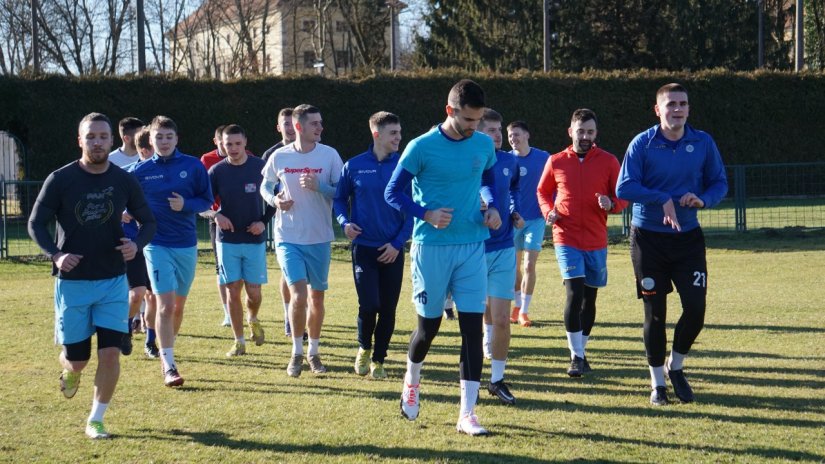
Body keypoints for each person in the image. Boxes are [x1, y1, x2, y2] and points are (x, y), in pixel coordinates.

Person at [28, 112, 156, 439]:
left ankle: (96, 419)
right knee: (79, 360)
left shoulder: (124, 180)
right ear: (80, 141)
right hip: (72, 284)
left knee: (111, 352)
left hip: (113, 280)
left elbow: (148, 222)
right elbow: (35, 223)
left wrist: (136, 244)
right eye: (91, 137)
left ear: (112, 141)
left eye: (103, 136)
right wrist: (56, 255)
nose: (97, 142)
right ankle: (70, 371)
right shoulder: (60, 179)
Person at [385, 79, 502, 436]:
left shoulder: (482, 143)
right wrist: (426, 214)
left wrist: (493, 207)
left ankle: (467, 413)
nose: (474, 128)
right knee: (428, 328)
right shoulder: (421, 147)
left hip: (471, 246)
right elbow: (393, 192)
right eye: (468, 120)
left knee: (471, 330)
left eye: (478, 120)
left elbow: (488, 180)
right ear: (449, 111)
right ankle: (412, 379)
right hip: (430, 248)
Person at [616, 83, 728, 405]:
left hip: (688, 239)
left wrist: (703, 200)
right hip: (648, 240)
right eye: (671, 104)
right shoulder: (643, 143)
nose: (677, 109)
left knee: (696, 309)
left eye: (682, 104)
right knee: (655, 314)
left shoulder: (702, 142)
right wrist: (660, 198)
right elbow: (625, 187)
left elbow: (719, 182)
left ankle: (675, 367)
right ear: (658, 110)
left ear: (688, 109)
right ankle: (657, 385)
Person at [537, 108, 628, 377]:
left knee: (590, 299)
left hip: (597, 240)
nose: (585, 136)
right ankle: (575, 356)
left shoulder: (609, 161)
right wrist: (548, 212)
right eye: (581, 131)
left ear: (596, 133)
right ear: (570, 132)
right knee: (574, 294)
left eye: (590, 132)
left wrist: (611, 203)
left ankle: (582, 350)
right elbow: (542, 192)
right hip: (565, 237)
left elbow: (623, 196)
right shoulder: (556, 161)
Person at [261, 104, 343, 377]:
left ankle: (314, 353)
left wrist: (320, 186)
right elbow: (265, 184)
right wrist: (275, 199)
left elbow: (342, 193)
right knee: (298, 295)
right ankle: (296, 352)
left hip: (319, 237)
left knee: (316, 298)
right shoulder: (279, 156)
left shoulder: (330, 155)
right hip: (288, 237)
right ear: (298, 127)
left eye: (321, 123)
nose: (320, 128)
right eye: (314, 124)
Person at [132, 115, 214, 387]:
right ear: (150, 140)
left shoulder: (192, 166)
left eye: (168, 137)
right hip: (155, 245)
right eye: (159, 137)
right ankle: (168, 365)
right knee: (165, 305)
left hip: (186, 245)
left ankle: (168, 348)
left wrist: (186, 205)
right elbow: (122, 198)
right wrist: (125, 212)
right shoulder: (139, 171)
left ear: (176, 139)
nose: (164, 142)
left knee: (178, 307)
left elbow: (207, 199)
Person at [333, 111, 412, 379]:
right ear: (376, 134)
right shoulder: (353, 165)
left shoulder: (405, 166)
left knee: (388, 308)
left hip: (393, 249)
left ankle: (379, 359)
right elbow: (339, 199)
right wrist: (344, 221)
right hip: (364, 248)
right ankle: (364, 347)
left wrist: (398, 243)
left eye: (400, 133)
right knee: (369, 305)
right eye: (393, 133)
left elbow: (413, 210)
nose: (399, 138)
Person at [207, 124, 275, 357]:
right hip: (227, 241)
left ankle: (253, 318)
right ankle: (239, 341)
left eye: (237, 143)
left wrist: (263, 222)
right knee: (232, 290)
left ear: (245, 142)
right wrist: (216, 215)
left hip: (254, 239)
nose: (233, 148)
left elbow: (277, 197)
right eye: (228, 144)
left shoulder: (260, 167)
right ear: (221, 145)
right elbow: (201, 201)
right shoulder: (217, 171)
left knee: (254, 293)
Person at [476, 108, 523, 405]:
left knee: (504, 317)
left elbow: (513, 190)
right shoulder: (469, 159)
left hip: (504, 247)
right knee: (482, 308)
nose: (497, 135)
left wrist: (513, 211)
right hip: (474, 247)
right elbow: (481, 189)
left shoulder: (509, 161)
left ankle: (497, 379)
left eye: (498, 129)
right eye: (491, 130)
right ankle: (485, 333)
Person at [121, 126, 160, 359]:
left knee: (154, 295)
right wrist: (119, 213)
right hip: (133, 244)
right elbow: (109, 203)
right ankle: (125, 329)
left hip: (158, 244)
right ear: (144, 151)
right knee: (136, 294)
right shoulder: (125, 176)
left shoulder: (164, 174)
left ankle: (151, 342)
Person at [507, 121, 550, 327]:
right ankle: (516, 306)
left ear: (527, 135)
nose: (512, 139)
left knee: (529, 265)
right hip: (513, 220)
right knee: (514, 267)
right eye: (510, 136)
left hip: (536, 220)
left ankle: (524, 311)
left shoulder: (543, 157)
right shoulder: (506, 160)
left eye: (516, 134)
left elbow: (554, 183)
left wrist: (552, 207)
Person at [261, 108, 298, 337]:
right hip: (284, 223)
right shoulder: (272, 154)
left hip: (311, 225)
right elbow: (264, 188)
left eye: (292, 123)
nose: (289, 128)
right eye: (285, 124)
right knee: (287, 273)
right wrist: (274, 204)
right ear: (279, 127)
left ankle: (302, 314)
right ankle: (288, 315)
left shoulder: (314, 151)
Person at [200, 125, 232, 327]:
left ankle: (245, 308)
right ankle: (228, 312)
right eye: (224, 143)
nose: (229, 148)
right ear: (217, 142)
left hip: (243, 217)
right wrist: (214, 212)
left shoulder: (247, 156)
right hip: (218, 219)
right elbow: (202, 191)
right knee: (221, 268)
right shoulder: (207, 160)